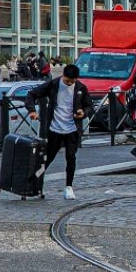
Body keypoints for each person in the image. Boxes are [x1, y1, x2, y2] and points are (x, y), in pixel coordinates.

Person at [25, 65, 94, 200]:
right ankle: (35, 185)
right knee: (47, 158)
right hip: (54, 128)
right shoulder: (53, 84)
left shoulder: (80, 87)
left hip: (72, 129)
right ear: (63, 75)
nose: (70, 84)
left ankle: (69, 187)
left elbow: (89, 105)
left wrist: (83, 112)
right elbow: (32, 94)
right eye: (68, 81)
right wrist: (32, 110)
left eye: (73, 81)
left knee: (71, 157)